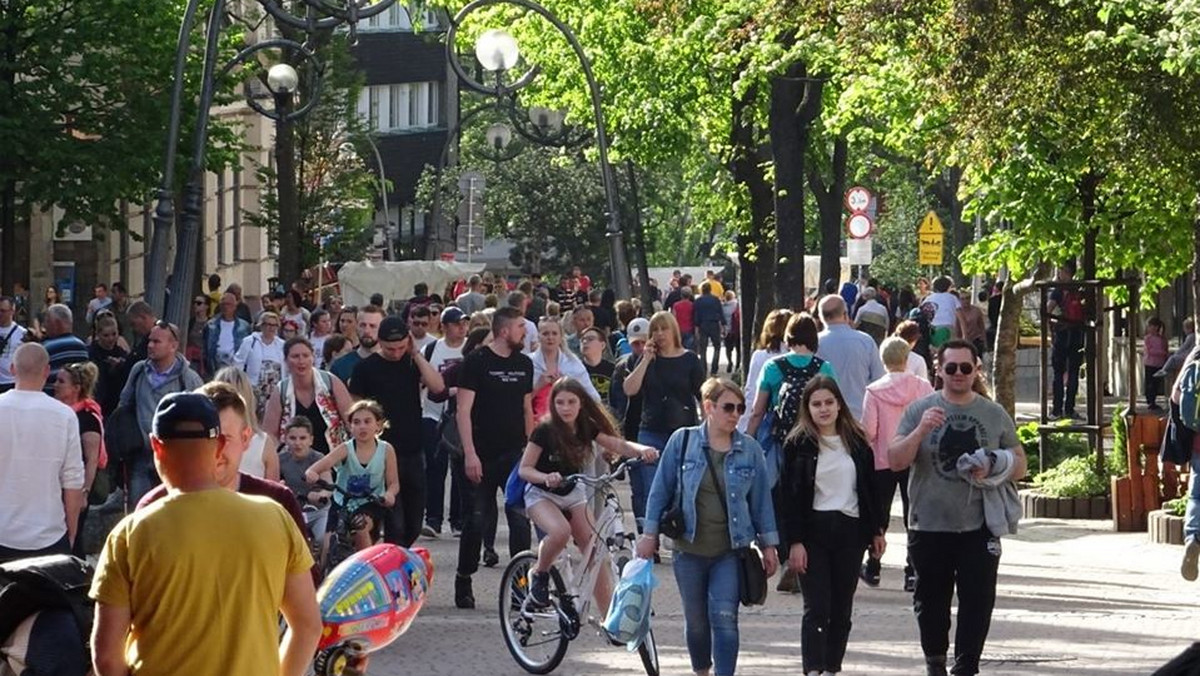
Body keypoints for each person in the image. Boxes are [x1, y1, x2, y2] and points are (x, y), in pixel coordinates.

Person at [91, 392, 321, 676]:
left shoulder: (131, 533)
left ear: (156, 446)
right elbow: (308, 626)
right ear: (220, 445)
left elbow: (106, 658)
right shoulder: (275, 518)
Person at [888, 339, 1026, 676]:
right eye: (952, 368)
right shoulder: (920, 410)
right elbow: (894, 460)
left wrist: (995, 462)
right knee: (931, 603)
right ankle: (935, 661)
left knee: (978, 601)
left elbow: (1021, 463)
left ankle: (967, 666)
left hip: (979, 525)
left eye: (967, 367)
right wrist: (921, 431)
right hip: (929, 524)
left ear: (977, 369)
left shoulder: (993, 413)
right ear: (939, 369)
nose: (959, 374)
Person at [637, 378, 779, 676]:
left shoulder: (749, 450)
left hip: (730, 550)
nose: (735, 414)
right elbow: (659, 491)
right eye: (728, 407)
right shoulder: (682, 441)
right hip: (688, 551)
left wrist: (769, 545)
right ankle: (702, 671)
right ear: (708, 407)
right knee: (697, 621)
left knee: (724, 617)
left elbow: (761, 502)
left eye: (740, 408)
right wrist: (649, 535)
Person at [778, 375, 886, 676]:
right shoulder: (797, 444)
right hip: (813, 532)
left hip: (850, 531)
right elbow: (790, 497)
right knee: (817, 608)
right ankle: (813, 669)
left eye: (828, 402)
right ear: (807, 408)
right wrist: (794, 542)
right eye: (816, 404)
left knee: (842, 608)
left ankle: (831, 667)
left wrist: (877, 529)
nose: (823, 409)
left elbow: (870, 489)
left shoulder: (857, 442)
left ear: (839, 404)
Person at [519, 378, 658, 608]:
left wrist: (644, 450)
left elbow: (618, 445)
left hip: (573, 493)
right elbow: (525, 469)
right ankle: (539, 573)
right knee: (560, 531)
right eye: (560, 402)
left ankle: (609, 620)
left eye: (571, 402)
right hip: (541, 495)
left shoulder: (585, 427)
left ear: (581, 403)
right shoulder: (544, 430)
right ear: (553, 404)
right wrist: (546, 477)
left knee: (595, 552)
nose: (565, 408)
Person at [454, 307, 535, 609]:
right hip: (481, 454)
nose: (524, 333)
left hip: (516, 454)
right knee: (475, 520)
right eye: (520, 328)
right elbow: (462, 411)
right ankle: (464, 579)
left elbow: (527, 409)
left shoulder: (525, 364)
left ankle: (520, 586)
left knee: (519, 520)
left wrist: (531, 451)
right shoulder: (476, 362)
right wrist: (470, 453)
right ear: (504, 331)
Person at [347, 316, 445, 548]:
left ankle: (399, 555)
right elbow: (354, 410)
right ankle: (393, 566)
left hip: (413, 448)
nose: (396, 353)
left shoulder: (411, 362)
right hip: (381, 452)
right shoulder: (365, 368)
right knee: (395, 523)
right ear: (380, 342)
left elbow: (438, 387)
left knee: (414, 521)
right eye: (391, 348)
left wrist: (415, 354)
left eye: (401, 347)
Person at [859, 337, 934, 591]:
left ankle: (874, 566)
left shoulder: (874, 391)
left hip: (883, 458)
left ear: (883, 360)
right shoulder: (923, 388)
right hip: (916, 458)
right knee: (913, 515)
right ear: (906, 358)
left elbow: (869, 430)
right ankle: (912, 571)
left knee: (878, 514)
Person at [622, 311, 705, 537]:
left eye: (663, 328)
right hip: (651, 431)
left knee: (682, 486)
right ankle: (651, 537)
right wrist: (646, 360)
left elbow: (703, 396)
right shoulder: (647, 359)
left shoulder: (689, 360)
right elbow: (630, 389)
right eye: (655, 330)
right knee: (653, 487)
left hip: (683, 432)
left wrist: (708, 429)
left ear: (674, 330)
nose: (659, 334)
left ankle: (681, 532)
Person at [0, 344, 84, 563]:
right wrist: (71, 533)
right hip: (49, 533)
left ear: (11, 369)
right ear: (47, 371)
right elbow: (73, 481)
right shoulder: (65, 416)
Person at [119, 320, 204, 506]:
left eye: (156, 342)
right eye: (149, 340)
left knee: (172, 511)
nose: (150, 345)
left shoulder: (189, 379)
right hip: (141, 454)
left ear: (173, 346)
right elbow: (124, 404)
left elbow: (202, 416)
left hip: (175, 458)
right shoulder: (139, 371)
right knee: (139, 511)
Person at [305, 399, 400, 550]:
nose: (362, 426)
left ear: (378, 425)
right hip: (343, 502)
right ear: (350, 427)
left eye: (367, 421)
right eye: (356, 422)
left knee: (361, 525)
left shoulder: (386, 450)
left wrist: (389, 494)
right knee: (327, 546)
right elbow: (321, 465)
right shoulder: (345, 449)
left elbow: (393, 483)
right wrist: (311, 473)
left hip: (371, 502)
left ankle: (366, 566)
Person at [262, 338, 353, 459]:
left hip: (333, 460)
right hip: (293, 464)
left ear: (313, 358)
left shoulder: (331, 382)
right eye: (295, 356)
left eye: (305, 355)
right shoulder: (281, 391)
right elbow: (270, 434)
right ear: (286, 361)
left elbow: (351, 422)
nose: (301, 361)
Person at [421, 306, 468, 537]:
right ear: (445, 326)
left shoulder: (469, 349)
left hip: (460, 417)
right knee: (435, 467)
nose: (462, 328)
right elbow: (421, 379)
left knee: (459, 468)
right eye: (457, 323)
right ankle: (433, 518)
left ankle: (457, 520)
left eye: (464, 324)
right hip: (433, 414)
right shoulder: (431, 349)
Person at [53, 361, 107, 557]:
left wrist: (84, 492)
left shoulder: (87, 418)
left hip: (77, 487)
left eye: (61, 381)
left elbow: (91, 460)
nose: (55, 385)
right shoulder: (60, 413)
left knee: (73, 540)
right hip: (60, 484)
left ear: (76, 388)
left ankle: (79, 580)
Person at [816, 296, 885, 420]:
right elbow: (879, 379)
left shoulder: (815, 343)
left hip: (825, 417)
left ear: (821, 317)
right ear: (845, 314)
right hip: (860, 415)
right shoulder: (866, 341)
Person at [532, 316, 600, 417]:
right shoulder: (528, 362)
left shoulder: (573, 363)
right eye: (545, 334)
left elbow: (594, 398)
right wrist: (538, 386)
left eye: (554, 333)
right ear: (538, 336)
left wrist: (565, 385)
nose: (550, 337)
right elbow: (518, 400)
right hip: (536, 422)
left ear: (561, 337)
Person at [278, 416, 332, 540]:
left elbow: (329, 487)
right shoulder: (280, 459)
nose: (298, 443)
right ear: (285, 439)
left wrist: (320, 495)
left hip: (319, 511)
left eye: (302, 438)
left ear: (311, 440)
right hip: (294, 511)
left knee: (322, 540)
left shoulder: (318, 458)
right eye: (292, 438)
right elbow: (273, 484)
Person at [739, 309, 791, 432]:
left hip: (766, 421)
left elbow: (751, 391)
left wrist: (743, 426)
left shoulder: (760, 356)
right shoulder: (801, 356)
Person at [1046, 262, 1086, 420]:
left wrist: (1052, 326)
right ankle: (1070, 409)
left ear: (1065, 273)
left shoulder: (1058, 291)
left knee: (1058, 372)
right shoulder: (1078, 289)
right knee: (1073, 372)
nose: (1058, 274)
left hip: (1062, 334)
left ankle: (1057, 410)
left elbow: (1048, 309)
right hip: (1077, 333)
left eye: (1060, 271)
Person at [234, 312, 286, 417]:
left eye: (274, 325)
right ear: (261, 325)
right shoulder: (250, 341)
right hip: (254, 388)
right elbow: (238, 363)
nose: (271, 328)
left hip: (274, 390)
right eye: (268, 324)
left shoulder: (282, 345)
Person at [611, 318, 650, 444]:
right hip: (630, 424)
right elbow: (616, 399)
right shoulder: (623, 365)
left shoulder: (661, 363)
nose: (640, 347)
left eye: (643, 342)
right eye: (635, 343)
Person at [40, 304, 89, 395]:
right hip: (76, 401)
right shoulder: (82, 347)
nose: (44, 326)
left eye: (47, 321)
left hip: (51, 400)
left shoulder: (45, 348)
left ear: (57, 323)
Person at [329, 304, 383, 383]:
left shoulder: (394, 364)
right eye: (362, 325)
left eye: (372, 326)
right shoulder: (340, 366)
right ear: (356, 326)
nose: (367, 331)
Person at [88, 315, 129, 415]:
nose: (111, 339)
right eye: (106, 335)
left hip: (116, 403)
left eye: (114, 334)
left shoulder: (122, 353)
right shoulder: (91, 352)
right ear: (98, 334)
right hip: (97, 402)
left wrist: (121, 365)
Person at [204, 291, 252, 376]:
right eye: (223, 304)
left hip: (237, 368)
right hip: (216, 368)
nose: (225, 307)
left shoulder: (244, 326)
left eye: (228, 304)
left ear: (235, 306)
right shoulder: (211, 325)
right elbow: (205, 350)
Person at [579, 326, 616, 412]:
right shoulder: (576, 369)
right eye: (582, 339)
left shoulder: (613, 369)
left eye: (590, 339)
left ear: (602, 345)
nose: (585, 342)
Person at [693, 282, 726, 375]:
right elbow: (720, 313)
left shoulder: (698, 301)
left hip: (703, 325)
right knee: (717, 347)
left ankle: (703, 370)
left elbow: (696, 315)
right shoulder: (715, 299)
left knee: (703, 349)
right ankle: (714, 370)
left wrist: (696, 328)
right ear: (710, 289)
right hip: (714, 324)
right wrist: (723, 325)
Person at [0, 296, 28, 394]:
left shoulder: (22, 333)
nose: (0, 314)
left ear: (12, 311)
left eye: (3, 311)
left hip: (11, 382)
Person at [925, 277, 961, 350]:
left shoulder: (929, 298)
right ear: (948, 286)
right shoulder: (952, 298)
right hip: (948, 328)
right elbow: (960, 316)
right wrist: (965, 333)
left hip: (933, 329)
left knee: (935, 351)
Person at [953, 290, 987, 359]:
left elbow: (981, 326)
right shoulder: (956, 312)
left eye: (967, 298)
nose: (965, 301)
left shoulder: (976, 310)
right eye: (962, 299)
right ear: (959, 300)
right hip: (961, 341)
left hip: (976, 339)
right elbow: (956, 329)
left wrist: (984, 339)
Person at [1144, 317, 1169, 412]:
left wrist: (1165, 356)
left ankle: (1153, 400)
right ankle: (1150, 401)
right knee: (1149, 382)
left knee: (1156, 383)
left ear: (1156, 327)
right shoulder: (1148, 338)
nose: (1150, 328)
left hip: (1159, 363)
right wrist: (1162, 353)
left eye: (1152, 326)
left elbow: (1165, 348)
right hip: (1150, 363)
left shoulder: (1162, 338)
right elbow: (1149, 350)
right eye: (1149, 326)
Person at [672, 286, 697, 351]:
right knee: (689, 350)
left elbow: (673, 317)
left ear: (681, 295)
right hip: (689, 329)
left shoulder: (676, 305)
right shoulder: (692, 305)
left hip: (678, 329)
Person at [722, 291, 740, 374]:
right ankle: (738, 365)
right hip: (737, 330)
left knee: (728, 348)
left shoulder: (723, 306)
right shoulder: (737, 304)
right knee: (738, 349)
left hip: (727, 330)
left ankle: (729, 361)